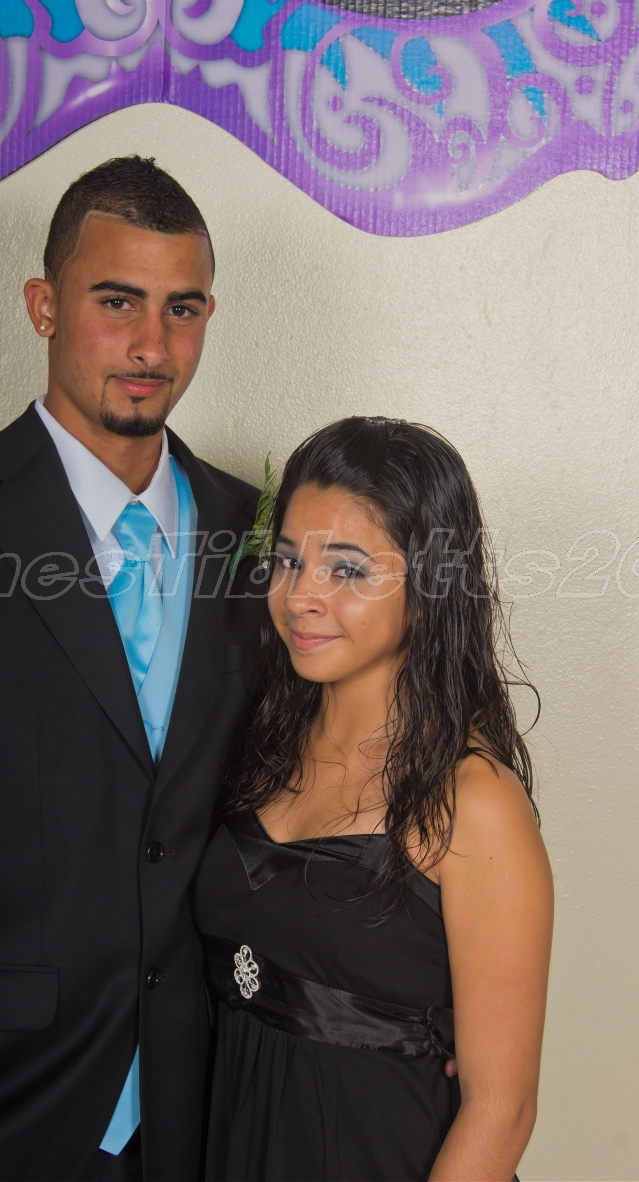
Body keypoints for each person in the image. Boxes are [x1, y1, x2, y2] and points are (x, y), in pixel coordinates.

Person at [0, 156, 266, 1181]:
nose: (152, 343)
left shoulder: (257, 538)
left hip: (198, 1116)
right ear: (43, 306)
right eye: (117, 301)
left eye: (182, 307)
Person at [194, 416, 554, 1182]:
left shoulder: (474, 803)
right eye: (288, 560)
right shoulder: (255, 744)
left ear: (428, 587)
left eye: (348, 571)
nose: (301, 597)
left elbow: (502, 1111)